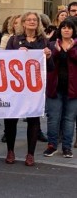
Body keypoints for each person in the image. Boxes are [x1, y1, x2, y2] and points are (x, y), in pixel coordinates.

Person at [4, 11, 52, 166]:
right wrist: (15, 55)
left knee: (33, 118)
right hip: (15, 87)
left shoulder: (43, 41)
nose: (32, 22)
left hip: (34, 88)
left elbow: (49, 68)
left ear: (38, 23)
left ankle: (30, 154)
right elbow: (3, 62)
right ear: (23, 23)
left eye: (34, 20)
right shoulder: (14, 40)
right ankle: (10, 150)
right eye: (28, 20)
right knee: (11, 118)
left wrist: (49, 56)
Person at [43, 19, 77, 158]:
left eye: (69, 28)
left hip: (73, 90)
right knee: (53, 118)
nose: (66, 30)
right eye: (64, 28)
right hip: (54, 88)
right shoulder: (52, 44)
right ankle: (52, 145)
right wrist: (55, 52)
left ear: (73, 31)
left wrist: (69, 50)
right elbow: (47, 62)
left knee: (69, 119)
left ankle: (67, 147)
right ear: (60, 30)